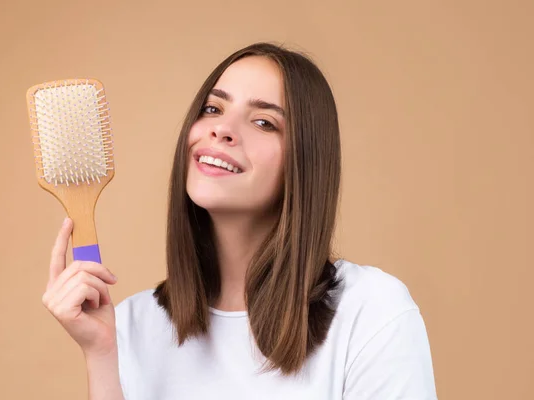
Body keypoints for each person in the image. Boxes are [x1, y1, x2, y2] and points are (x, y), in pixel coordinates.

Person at [42, 42, 438, 399]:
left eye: (264, 122)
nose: (222, 129)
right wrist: (101, 354)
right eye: (213, 108)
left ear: (305, 162)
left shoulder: (371, 312)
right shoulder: (128, 327)